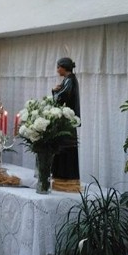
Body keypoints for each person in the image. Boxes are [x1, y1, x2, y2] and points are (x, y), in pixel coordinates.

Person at [51, 56, 80, 186]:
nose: (57, 70)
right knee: (64, 149)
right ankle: (62, 176)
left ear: (64, 67)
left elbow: (62, 97)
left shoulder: (70, 80)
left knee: (65, 149)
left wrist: (54, 92)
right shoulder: (68, 80)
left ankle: (65, 177)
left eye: (58, 67)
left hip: (66, 122)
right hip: (66, 121)